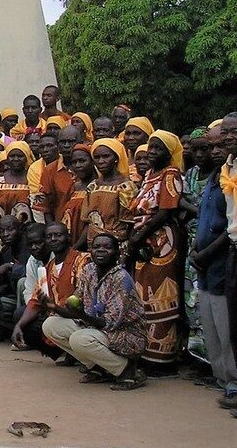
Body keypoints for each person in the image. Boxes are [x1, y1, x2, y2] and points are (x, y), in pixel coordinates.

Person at [41, 233, 147, 389]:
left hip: (126, 334)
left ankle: (127, 371)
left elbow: (110, 323)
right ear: (90, 251)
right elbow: (75, 305)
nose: (101, 251)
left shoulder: (121, 278)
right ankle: (98, 368)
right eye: (96, 247)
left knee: (79, 339)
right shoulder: (89, 271)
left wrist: (80, 314)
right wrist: (54, 307)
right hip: (96, 327)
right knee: (50, 325)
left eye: (107, 247)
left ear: (117, 253)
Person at [127, 130, 185, 370]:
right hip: (144, 241)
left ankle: (163, 359)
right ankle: (147, 354)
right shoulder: (150, 174)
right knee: (144, 294)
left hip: (162, 241)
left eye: (158, 148)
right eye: (150, 147)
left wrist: (139, 237)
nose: (151, 153)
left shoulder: (171, 175)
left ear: (169, 153)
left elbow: (165, 211)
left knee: (162, 295)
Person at [194, 127, 237, 408]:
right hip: (205, 263)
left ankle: (233, 383)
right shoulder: (216, 177)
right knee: (210, 323)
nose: (216, 151)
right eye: (214, 146)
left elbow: (230, 227)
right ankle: (222, 379)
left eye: (222, 144)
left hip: (221, 259)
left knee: (226, 326)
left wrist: (207, 252)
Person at [12, 221, 86, 359]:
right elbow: (35, 300)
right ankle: (69, 355)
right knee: (23, 320)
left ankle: (83, 359)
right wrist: (18, 326)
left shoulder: (82, 260)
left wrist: (54, 309)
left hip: (81, 318)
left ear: (69, 237)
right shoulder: (48, 268)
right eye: (49, 236)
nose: (53, 239)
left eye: (58, 235)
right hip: (58, 316)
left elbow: (80, 300)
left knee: (49, 324)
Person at [81, 138, 136, 250]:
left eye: (106, 156)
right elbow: (89, 222)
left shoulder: (126, 187)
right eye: (97, 157)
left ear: (116, 158)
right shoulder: (92, 186)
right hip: (94, 246)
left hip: (117, 247)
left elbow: (131, 224)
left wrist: (130, 251)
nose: (101, 161)